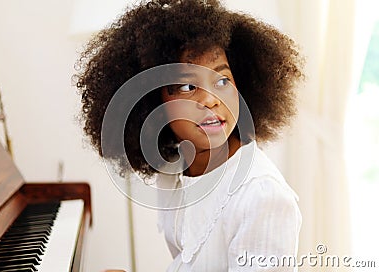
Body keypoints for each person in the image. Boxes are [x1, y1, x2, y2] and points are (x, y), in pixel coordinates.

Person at [75, 0, 304, 271]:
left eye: (222, 81)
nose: (210, 99)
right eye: (186, 86)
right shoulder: (174, 168)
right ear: (152, 103)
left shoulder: (262, 197)